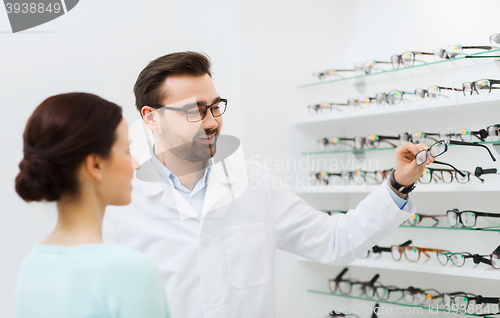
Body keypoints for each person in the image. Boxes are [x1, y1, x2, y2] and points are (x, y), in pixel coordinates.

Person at [102, 51, 434, 318]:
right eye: (194, 111)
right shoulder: (119, 203)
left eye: (216, 107)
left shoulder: (254, 182)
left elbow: (336, 241)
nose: (212, 122)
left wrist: (397, 185)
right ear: (151, 117)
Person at [14, 93, 170, 318]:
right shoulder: (129, 269)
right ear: (95, 164)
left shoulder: (31, 265)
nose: (135, 165)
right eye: (127, 150)